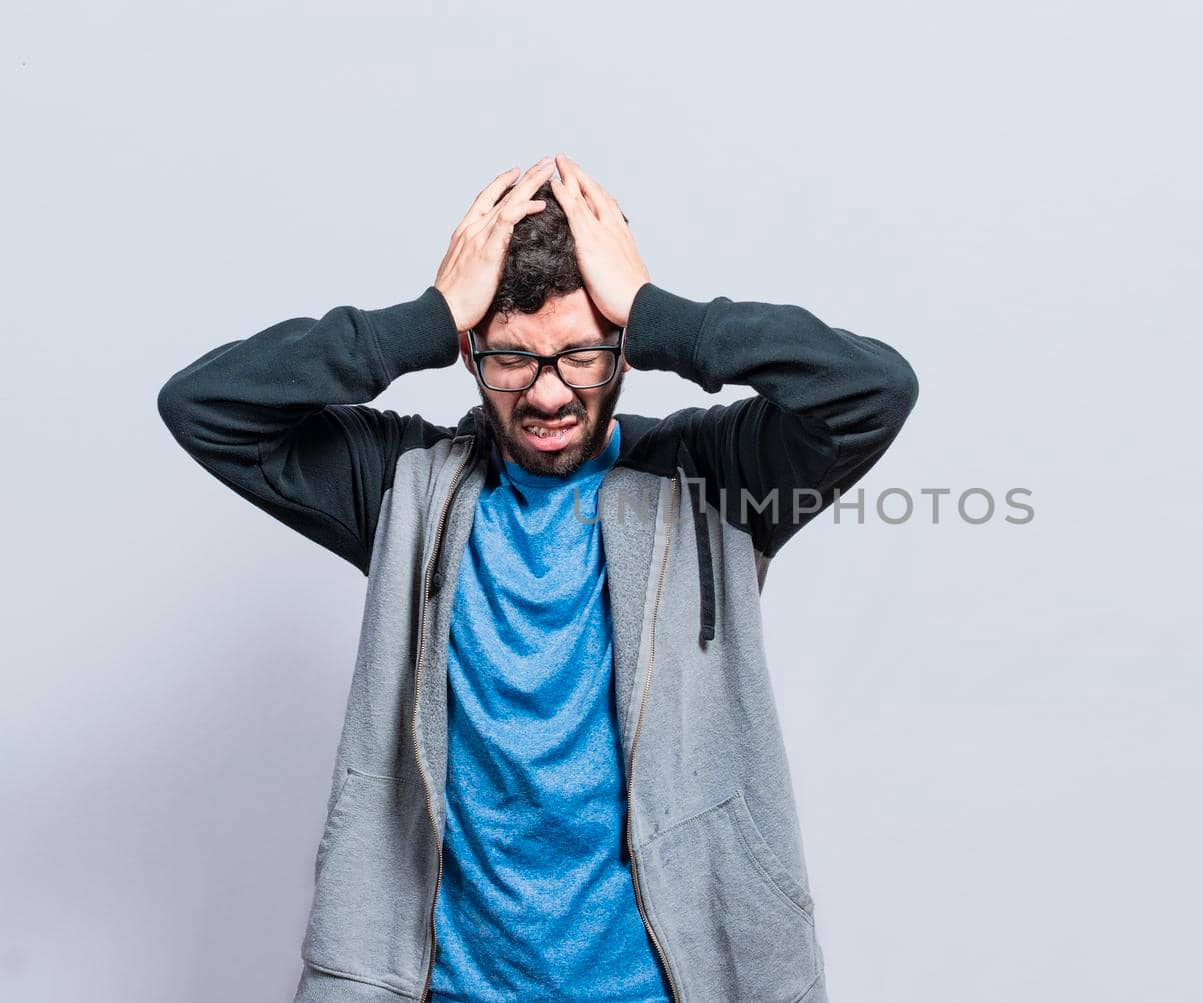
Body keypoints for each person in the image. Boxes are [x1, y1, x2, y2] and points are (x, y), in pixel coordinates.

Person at [157, 153, 918, 1003]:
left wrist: (657, 312)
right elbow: (206, 406)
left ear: (627, 353)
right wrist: (426, 315)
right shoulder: (408, 487)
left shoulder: (714, 477)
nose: (548, 394)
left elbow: (872, 389)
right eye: (511, 359)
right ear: (469, 354)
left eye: (581, 355)